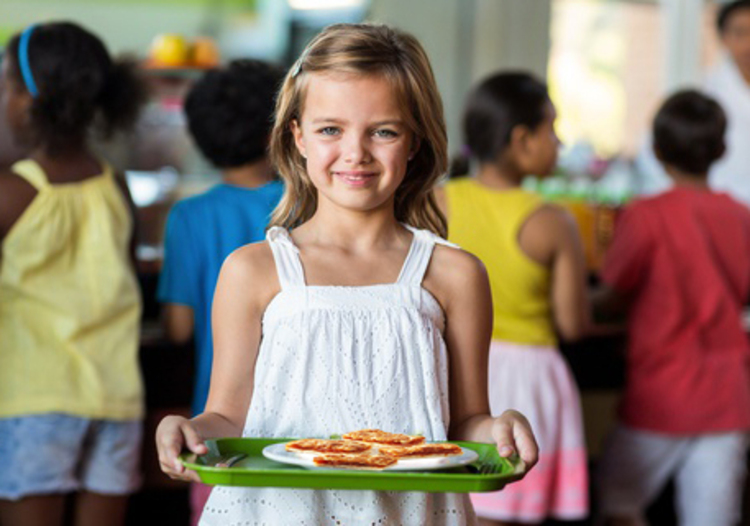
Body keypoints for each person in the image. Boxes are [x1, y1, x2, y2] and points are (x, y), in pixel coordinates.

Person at [156, 23, 539, 525]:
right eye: (330, 129)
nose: (356, 152)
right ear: (298, 138)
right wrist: (185, 429)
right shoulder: (251, 270)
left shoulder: (455, 274)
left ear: (415, 142)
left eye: (383, 131)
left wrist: (502, 427)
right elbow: (227, 416)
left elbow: (467, 421)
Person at [0, 22, 146, 526]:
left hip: (34, 396)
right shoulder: (116, 185)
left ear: (25, 99)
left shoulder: (13, 193)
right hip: (117, 396)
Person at [594, 90, 750, 526]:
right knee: (713, 517)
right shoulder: (741, 216)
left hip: (661, 393)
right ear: (721, 149)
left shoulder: (645, 216)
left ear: (657, 150)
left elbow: (613, 294)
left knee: (619, 504)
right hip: (727, 398)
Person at [440, 72, 590, 525]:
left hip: (454, 368)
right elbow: (573, 324)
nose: (559, 142)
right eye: (552, 129)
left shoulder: (434, 201)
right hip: (528, 381)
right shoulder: (553, 221)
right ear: (522, 139)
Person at [156, 58, 284, 526]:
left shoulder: (189, 216)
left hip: (215, 421)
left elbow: (179, 326)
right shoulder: (306, 205)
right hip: (298, 423)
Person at [636, 1, 750, 206]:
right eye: (740, 33)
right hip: (713, 217)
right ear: (724, 38)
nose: (748, 44)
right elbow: (654, 155)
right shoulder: (703, 97)